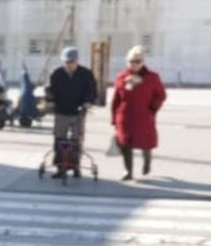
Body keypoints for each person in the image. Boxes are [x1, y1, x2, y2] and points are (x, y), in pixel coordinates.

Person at [111, 45, 167, 181]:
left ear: (143, 62)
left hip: (144, 115)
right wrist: (114, 118)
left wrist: (153, 108)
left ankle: (147, 161)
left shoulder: (152, 77)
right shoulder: (122, 77)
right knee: (125, 144)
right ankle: (128, 171)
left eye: (138, 61)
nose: (134, 64)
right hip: (125, 116)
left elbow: (161, 95)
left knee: (145, 142)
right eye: (131, 61)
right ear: (127, 62)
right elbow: (116, 99)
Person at [47, 46, 98, 180]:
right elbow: (49, 90)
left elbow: (92, 91)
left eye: (71, 62)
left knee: (77, 140)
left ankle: (75, 167)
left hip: (78, 111)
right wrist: (50, 101)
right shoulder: (56, 73)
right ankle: (59, 167)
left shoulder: (86, 74)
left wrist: (88, 102)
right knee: (59, 139)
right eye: (66, 62)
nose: (69, 65)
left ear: (77, 61)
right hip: (61, 110)